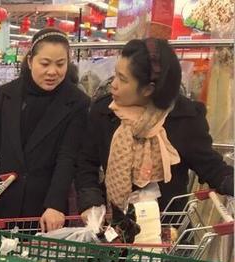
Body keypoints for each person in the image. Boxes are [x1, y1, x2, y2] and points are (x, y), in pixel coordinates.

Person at [76, 38, 234, 235]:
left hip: (166, 233)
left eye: (123, 79)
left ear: (148, 89)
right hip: (117, 230)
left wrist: (229, 181)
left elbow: (210, 166)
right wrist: (91, 203)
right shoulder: (104, 112)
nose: (113, 85)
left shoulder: (183, 118)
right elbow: (86, 163)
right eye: (115, 75)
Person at [0, 29, 90, 232]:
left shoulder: (77, 102)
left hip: (45, 207)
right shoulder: (5, 95)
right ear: (30, 62)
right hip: (4, 198)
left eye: (60, 64)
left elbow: (68, 157)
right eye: (45, 64)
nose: (52, 71)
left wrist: (54, 204)